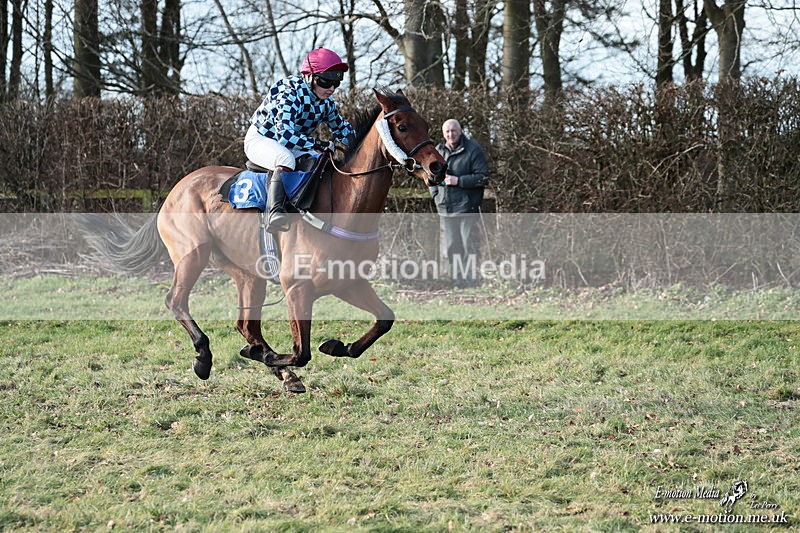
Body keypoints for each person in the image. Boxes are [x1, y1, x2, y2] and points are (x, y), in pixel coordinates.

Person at [245, 47, 356, 233]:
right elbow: (285, 136)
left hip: (290, 143)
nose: (331, 88)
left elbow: (342, 130)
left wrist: (368, 141)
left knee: (319, 161)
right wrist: (318, 144)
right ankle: (274, 212)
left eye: (336, 83)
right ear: (310, 76)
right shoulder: (289, 92)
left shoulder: (326, 103)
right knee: (285, 159)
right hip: (262, 139)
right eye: (326, 81)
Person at [430, 119, 490, 288]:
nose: (451, 134)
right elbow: (431, 179)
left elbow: (483, 177)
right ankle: (457, 282)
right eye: (447, 131)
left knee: (468, 246)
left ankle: (471, 282)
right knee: (451, 247)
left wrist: (459, 181)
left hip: (467, 207)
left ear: (461, 131)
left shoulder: (473, 149)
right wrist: (436, 197)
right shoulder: (437, 151)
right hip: (446, 208)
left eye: (454, 131)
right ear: (443, 133)